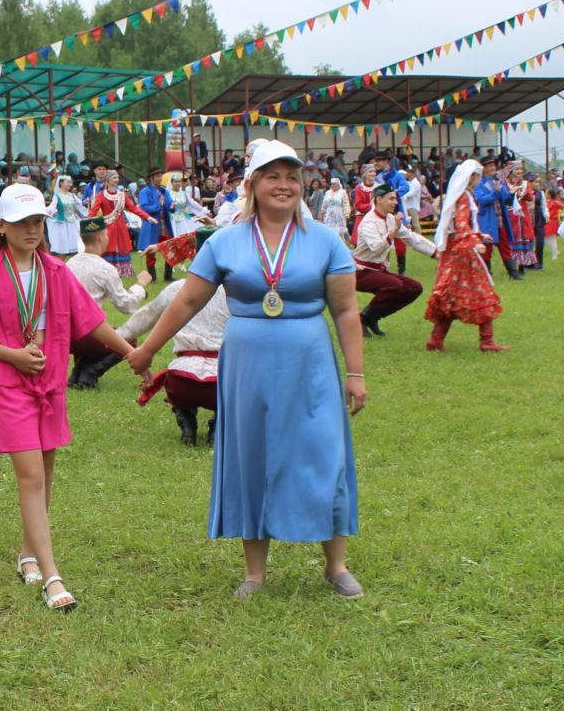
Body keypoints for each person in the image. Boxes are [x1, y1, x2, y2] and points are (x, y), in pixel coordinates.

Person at [126, 141, 367, 600]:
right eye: (272, 176)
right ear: (252, 184)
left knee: (323, 453)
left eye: (292, 177)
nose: (284, 185)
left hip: (310, 361)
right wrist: (148, 350)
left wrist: (355, 374)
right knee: (250, 457)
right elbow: (188, 301)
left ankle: (335, 565)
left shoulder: (325, 241)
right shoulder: (225, 241)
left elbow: (346, 310)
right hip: (247, 362)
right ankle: (255, 573)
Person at [0, 184, 138, 613]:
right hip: (10, 385)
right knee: (31, 476)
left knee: (46, 473)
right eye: (21, 223)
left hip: (50, 384)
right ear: (1, 226)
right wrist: (11, 355)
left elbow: (92, 323)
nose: (31, 230)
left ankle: (28, 553)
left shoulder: (56, 271)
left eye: (37, 222)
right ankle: (52, 577)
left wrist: (132, 354)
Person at [119, 235, 230, 446]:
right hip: (222, 385)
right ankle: (219, 424)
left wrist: (116, 337)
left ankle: (186, 418)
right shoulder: (237, 292)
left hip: (181, 382)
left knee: (181, 382)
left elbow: (144, 318)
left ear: (194, 255)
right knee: (236, 388)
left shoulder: (177, 288)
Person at [424, 159, 508, 353]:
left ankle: (436, 339)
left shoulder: (461, 196)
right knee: (482, 292)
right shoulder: (463, 198)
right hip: (463, 252)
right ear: (474, 177)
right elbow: (461, 226)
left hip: (455, 250)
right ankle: (486, 341)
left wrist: (478, 235)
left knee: (450, 295)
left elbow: (459, 226)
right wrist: (474, 242)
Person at [65, 215, 151, 389]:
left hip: (65, 335)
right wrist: (141, 285)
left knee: (95, 331)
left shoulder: (68, 264)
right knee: (129, 337)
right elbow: (126, 306)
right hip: (88, 335)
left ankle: (78, 373)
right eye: (106, 234)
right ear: (100, 237)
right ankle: (91, 371)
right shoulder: (105, 268)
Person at [352, 186, 436, 337]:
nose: (395, 202)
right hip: (360, 271)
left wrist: (436, 253)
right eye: (391, 198)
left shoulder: (390, 219)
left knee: (414, 287)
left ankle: (371, 317)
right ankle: (362, 319)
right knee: (394, 285)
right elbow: (376, 248)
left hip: (378, 270)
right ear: (378, 199)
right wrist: (393, 231)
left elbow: (412, 238)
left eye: (395, 198)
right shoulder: (368, 222)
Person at [88, 173, 151, 277]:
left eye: (117, 177)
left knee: (122, 246)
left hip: (121, 226)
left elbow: (133, 208)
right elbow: (93, 211)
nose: (117, 179)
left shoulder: (122, 195)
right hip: (108, 226)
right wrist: (86, 222)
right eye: (114, 178)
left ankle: (123, 271)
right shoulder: (101, 195)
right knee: (108, 247)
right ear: (108, 180)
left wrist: (146, 217)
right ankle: (107, 271)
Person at [46, 175, 84, 256]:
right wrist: (46, 211)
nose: (70, 184)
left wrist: (88, 210)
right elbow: (53, 206)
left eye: (71, 183)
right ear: (61, 183)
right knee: (63, 242)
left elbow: (80, 205)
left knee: (74, 241)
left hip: (72, 221)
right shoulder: (57, 195)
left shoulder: (72, 195)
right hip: (62, 222)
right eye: (68, 182)